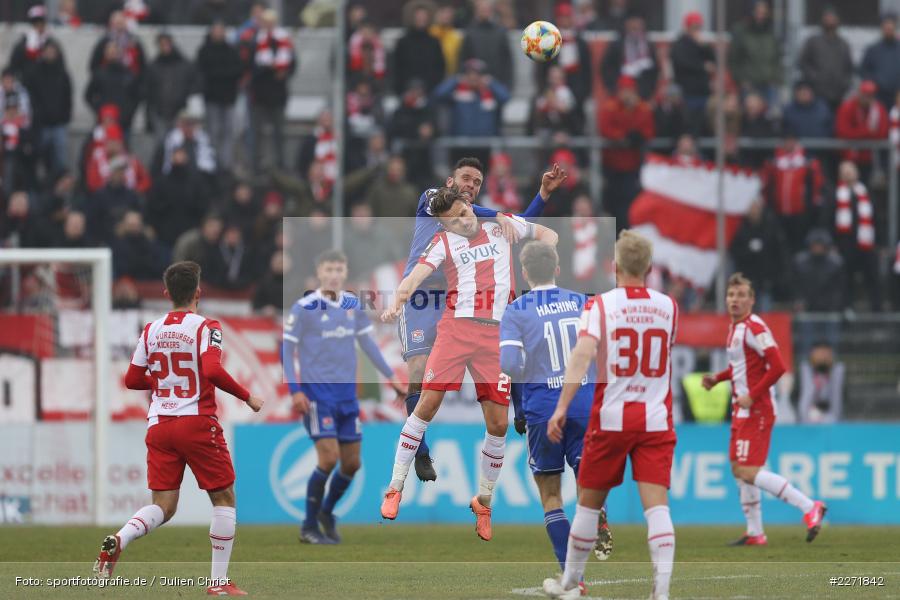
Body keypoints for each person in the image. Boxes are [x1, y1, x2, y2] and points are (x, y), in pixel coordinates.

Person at [379, 185, 559, 539]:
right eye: (454, 221)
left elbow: (548, 233)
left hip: (496, 336)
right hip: (456, 331)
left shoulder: (501, 225)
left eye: (464, 213)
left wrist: (540, 262)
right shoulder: (443, 243)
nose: (463, 222)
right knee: (427, 404)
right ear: (444, 226)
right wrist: (396, 303)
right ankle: (395, 486)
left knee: (497, 424)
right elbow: (414, 277)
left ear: (471, 206)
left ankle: (484, 503)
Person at [94, 261, 264, 596]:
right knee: (224, 498)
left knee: (164, 506)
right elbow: (212, 370)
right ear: (198, 292)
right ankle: (217, 583)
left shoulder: (150, 329)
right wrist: (247, 396)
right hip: (196, 422)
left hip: (159, 425)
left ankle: (120, 538)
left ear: (166, 293)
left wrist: (164, 381)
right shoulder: (205, 327)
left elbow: (131, 380)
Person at [396, 158, 566, 483]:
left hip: (455, 303)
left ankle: (519, 408)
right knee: (418, 371)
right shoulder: (431, 198)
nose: (471, 185)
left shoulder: (477, 219)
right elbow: (494, 216)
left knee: (504, 334)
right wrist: (497, 214)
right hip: (419, 297)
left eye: (477, 181)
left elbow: (521, 227)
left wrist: (542, 194)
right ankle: (419, 452)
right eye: (466, 178)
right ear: (450, 181)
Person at [541, 230, 678, 600]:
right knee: (657, 508)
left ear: (614, 266)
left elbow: (581, 357)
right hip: (655, 419)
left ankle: (570, 581)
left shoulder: (600, 306)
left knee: (588, 505)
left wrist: (562, 408)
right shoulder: (669, 307)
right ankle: (661, 593)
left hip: (611, 418)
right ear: (649, 268)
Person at [499, 241, 613, 579]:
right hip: (584, 403)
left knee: (551, 495)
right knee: (586, 484)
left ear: (524, 273)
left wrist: (520, 402)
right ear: (558, 270)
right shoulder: (584, 302)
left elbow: (508, 363)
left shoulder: (517, 309)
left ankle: (571, 577)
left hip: (543, 408)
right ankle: (597, 511)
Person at [282, 250, 404, 544]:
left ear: (345, 272)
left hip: (347, 396)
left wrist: (391, 378)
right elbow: (286, 350)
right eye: (329, 269)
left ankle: (326, 512)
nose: (334, 274)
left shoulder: (352, 305)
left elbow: (368, 344)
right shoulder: (304, 307)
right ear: (319, 272)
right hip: (317, 396)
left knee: (351, 464)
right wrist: (295, 390)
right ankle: (308, 527)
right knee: (328, 458)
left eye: (339, 269)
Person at [702, 273, 827, 547]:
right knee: (738, 468)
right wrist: (718, 379)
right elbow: (741, 367)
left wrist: (752, 395)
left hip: (757, 409)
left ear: (752, 300)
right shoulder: (736, 329)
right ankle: (755, 532)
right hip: (742, 408)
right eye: (731, 295)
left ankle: (809, 506)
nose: (735, 300)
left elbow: (779, 366)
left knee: (748, 470)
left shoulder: (754, 327)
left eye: (741, 295)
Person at [196, 21, 243, 171]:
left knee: (228, 131)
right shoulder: (205, 50)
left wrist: (219, 75)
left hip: (229, 98)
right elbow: (203, 72)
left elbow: (237, 70)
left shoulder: (231, 50)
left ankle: (226, 163)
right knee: (213, 132)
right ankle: (213, 162)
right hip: (212, 98)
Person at [797, 6, 853, 112]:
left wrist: (844, 84)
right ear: (822, 20)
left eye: (833, 18)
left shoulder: (843, 44)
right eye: (827, 18)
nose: (830, 21)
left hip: (838, 95)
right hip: (817, 94)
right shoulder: (812, 42)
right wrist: (814, 79)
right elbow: (803, 63)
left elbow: (849, 68)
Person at [728, 1, 781, 109]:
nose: (761, 16)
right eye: (758, 12)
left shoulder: (770, 33)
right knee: (751, 117)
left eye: (764, 13)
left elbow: (777, 58)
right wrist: (741, 80)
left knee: (772, 118)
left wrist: (776, 78)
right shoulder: (741, 31)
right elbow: (733, 59)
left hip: (769, 84)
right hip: (749, 85)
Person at [671, 11, 714, 136]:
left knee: (704, 125)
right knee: (689, 125)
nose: (696, 30)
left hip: (703, 92)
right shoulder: (679, 44)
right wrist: (702, 67)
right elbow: (683, 63)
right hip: (687, 92)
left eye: (698, 27)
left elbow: (713, 61)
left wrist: (704, 46)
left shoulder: (702, 44)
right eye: (694, 27)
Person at [600, 11, 658, 101]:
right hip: (621, 93)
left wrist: (647, 91)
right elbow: (606, 68)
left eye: (638, 22)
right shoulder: (617, 44)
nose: (636, 25)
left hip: (643, 94)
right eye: (633, 22)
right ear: (627, 24)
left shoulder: (648, 45)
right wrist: (614, 89)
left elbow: (654, 70)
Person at [393, 3, 445, 95]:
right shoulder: (403, 42)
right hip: (406, 92)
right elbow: (397, 68)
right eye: (418, 16)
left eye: (424, 16)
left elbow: (440, 67)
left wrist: (431, 88)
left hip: (430, 92)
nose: (421, 19)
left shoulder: (434, 42)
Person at [860, 11, 900, 111]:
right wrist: (872, 84)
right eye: (886, 28)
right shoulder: (873, 50)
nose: (888, 30)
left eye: (891, 28)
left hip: (898, 98)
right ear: (882, 29)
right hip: (877, 98)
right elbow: (863, 70)